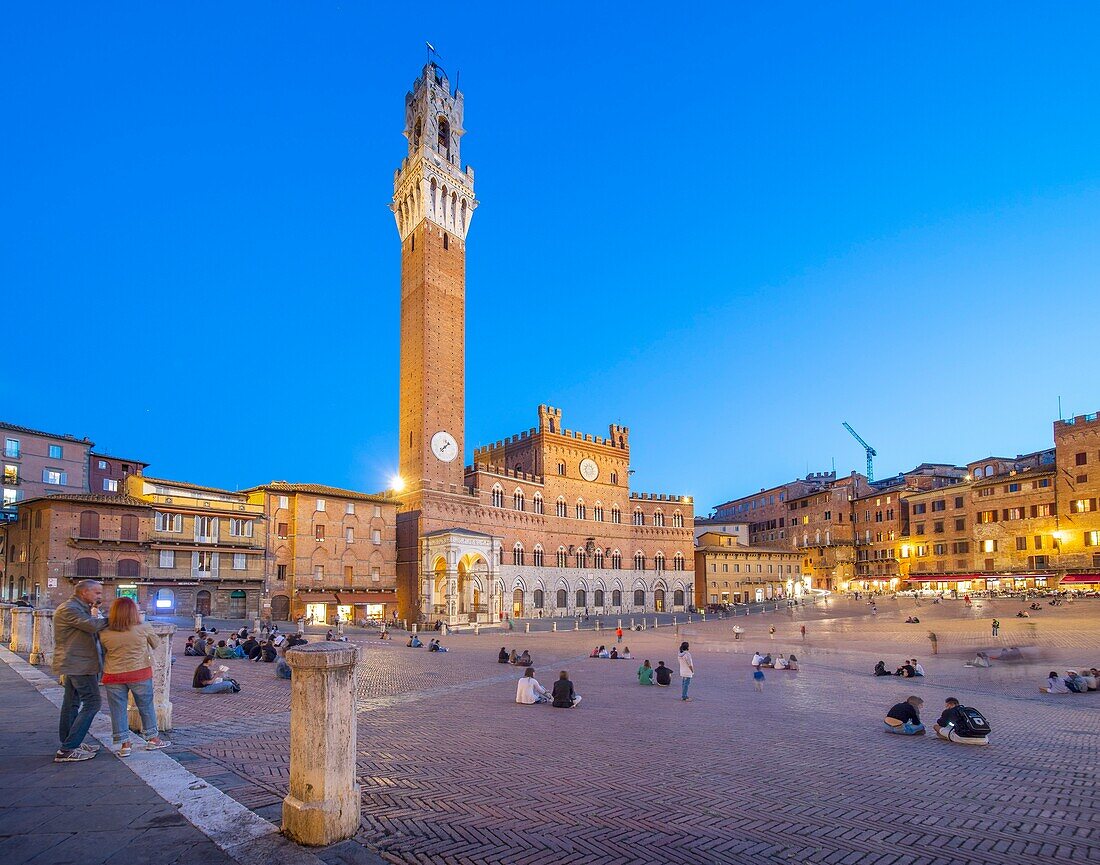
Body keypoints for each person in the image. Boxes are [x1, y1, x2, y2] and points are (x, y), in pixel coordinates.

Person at [97, 597, 171, 757]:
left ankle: (125, 744)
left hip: (113, 674)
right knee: (145, 706)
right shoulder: (144, 627)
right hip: (139, 672)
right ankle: (153, 739)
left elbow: (103, 649)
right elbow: (156, 643)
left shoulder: (104, 631)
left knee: (117, 710)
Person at [52, 579, 108, 763]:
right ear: (84, 592)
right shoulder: (70, 608)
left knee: (71, 703)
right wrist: (118, 617)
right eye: (97, 593)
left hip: (77, 662)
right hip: (79, 664)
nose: (100, 596)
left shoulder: (79, 607)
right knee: (93, 703)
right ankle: (67, 749)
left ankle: (70, 743)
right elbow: (92, 625)